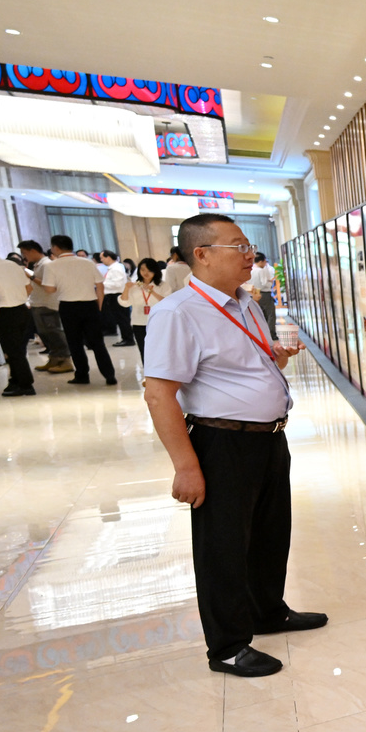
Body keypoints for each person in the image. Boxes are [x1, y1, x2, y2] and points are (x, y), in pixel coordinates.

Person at [143, 214, 327, 677]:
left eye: (248, 245)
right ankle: (227, 646)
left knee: (270, 533)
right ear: (202, 254)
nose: (250, 255)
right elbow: (159, 394)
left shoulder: (244, 302)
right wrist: (187, 466)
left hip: (268, 438)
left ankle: (267, 611)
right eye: (238, 246)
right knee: (223, 547)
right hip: (222, 442)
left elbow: (240, 363)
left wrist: (274, 357)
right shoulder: (178, 313)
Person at [36, 237, 116, 386]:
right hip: (90, 305)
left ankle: (82, 375)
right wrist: (98, 306)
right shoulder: (87, 262)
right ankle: (109, 375)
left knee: (75, 343)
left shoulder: (52, 266)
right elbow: (100, 286)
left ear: (56, 248)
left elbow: (49, 289)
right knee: (98, 343)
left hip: (68, 307)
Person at [0, 236, 36, 396]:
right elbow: (29, 288)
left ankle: (26, 385)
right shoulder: (13, 265)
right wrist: (17, 298)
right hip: (22, 310)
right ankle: (15, 381)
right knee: (17, 349)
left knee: (13, 351)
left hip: (5, 312)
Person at [20, 240, 73, 373]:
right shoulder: (38, 264)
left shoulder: (46, 264)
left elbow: (48, 285)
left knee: (54, 333)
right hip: (39, 303)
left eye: (25, 253)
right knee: (46, 334)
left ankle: (65, 361)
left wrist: (31, 276)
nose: (24, 256)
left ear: (33, 251)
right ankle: (54, 359)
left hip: (47, 304)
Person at [122, 258, 170, 361]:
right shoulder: (135, 286)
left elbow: (168, 302)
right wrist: (126, 288)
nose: (146, 273)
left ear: (155, 270)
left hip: (158, 322)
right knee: (144, 350)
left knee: (160, 350)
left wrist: (151, 292)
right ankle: (148, 370)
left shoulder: (163, 285)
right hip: (139, 322)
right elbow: (125, 303)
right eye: (143, 269)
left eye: (149, 270)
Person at [100, 251, 135, 345]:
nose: (101, 260)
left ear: (108, 257)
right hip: (113, 295)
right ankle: (126, 338)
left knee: (122, 318)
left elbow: (117, 284)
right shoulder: (113, 268)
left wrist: (102, 284)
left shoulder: (116, 268)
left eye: (102, 258)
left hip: (117, 295)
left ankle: (128, 339)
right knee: (120, 318)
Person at [248, 252, 279, 339]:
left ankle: (264, 334)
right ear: (261, 261)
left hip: (253, 294)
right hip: (264, 294)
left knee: (261, 314)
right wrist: (270, 282)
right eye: (265, 261)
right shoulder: (261, 270)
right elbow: (264, 283)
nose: (265, 263)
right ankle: (271, 334)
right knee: (270, 314)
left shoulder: (251, 270)